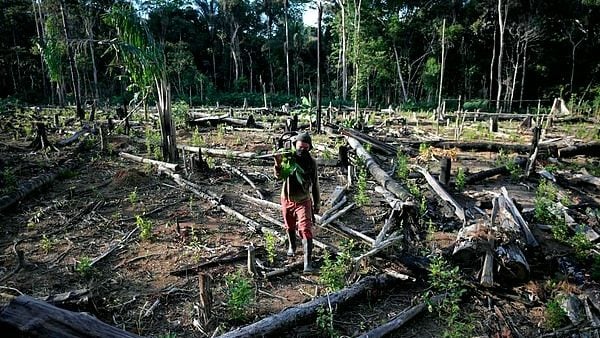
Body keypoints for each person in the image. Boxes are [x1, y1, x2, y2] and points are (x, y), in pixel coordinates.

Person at [273, 132, 320, 273]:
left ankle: (308, 264)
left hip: (303, 200)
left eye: (306, 148)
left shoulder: (311, 163)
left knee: (305, 229)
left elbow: (315, 184)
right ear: (295, 146)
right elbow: (279, 176)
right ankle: (292, 246)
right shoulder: (289, 158)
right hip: (287, 198)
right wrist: (278, 162)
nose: (303, 151)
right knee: (289, 226)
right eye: (300, 147)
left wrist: (317, 203)